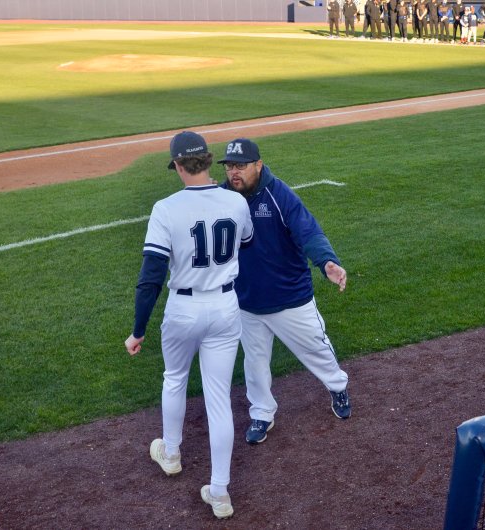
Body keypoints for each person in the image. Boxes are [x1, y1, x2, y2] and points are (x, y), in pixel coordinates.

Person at [125, 131, 254, 520]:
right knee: (219, 399)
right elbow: (245, 243)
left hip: (183, 309)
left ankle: (172, 451)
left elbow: (150, 278)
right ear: (209, 161)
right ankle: (219, 492)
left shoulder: (166, 208)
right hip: (226, 306)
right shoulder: (236, 202)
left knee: (175, 378)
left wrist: (138, 330)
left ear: (179, 166)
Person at [219, 138, 351, 445]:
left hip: (290, 298)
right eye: (229, 167)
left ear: (258, 165)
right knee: (254, 362)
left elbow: (309, 231)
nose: (234, 173)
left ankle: (337, 386)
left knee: (316, 349)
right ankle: (262, 413)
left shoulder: (280, 196)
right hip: (246, 300)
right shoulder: (222, 197)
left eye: (240, 166)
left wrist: (327, 262)